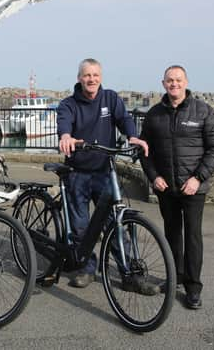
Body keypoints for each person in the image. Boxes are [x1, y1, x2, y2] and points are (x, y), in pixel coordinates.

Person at [57, 58, 157, 294]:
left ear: (100, 77)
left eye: (95, 75)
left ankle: (128, 273)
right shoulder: (68, 104)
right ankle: (87, 268)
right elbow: (64, 124)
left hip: (104, 171)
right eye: (86, 75)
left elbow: (124, 119)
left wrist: (132, 136)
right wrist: (66, 136)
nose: (91, 79)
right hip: (77, 173)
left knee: (116, 223)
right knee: (81, 226)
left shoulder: (110, 98)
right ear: (79, 78)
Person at [139, 65, 214, 309]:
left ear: (186, 82)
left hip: (193, 187)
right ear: (163, 83)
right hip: (166, 187)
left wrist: (198, 178)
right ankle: (174, 277)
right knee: (172, 234)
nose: (173, 84)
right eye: (169, 80)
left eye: (178, 80)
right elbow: (144, 151)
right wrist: (154, 176)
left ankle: (193, 287)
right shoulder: (154, 114)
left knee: (193, 236)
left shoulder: (203, 111)